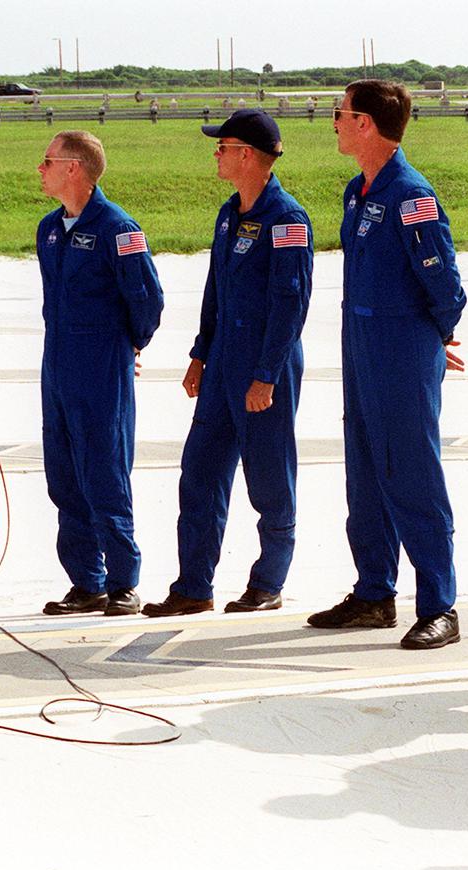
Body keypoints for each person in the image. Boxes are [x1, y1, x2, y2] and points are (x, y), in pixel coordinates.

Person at [306, 80, 467, 649]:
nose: (334, 121)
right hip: (363, 346)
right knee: (366, 473)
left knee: (413, 475)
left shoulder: (411, 194)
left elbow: (445, 285)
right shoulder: (359, 190)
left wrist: (430, 340)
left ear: (367, 124)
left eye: (340, 113)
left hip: (400, 350)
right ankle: (374, 593)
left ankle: (439, 604)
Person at [142, 110, 312, 617]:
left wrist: (266, 376)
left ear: (248, 155)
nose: (216, 154)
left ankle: (268, 581)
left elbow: (290, 305)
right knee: (199, 473)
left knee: (268, 478)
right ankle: (194, 586)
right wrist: (199, 353)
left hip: (265, 367)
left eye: (223, 146)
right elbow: (216, 291)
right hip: (221, 366)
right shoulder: (228, 212)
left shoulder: (288, 220)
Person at [35, 131, 164, 617]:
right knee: (64, 475)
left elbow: (147, 300)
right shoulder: (49, 229)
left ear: (75, 168)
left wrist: (129, 343)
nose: (40, 169)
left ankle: (123, 580)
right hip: (58, 365)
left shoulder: (118, 228)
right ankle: (86, 581)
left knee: (104, 472)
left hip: (101, 367)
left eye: (47, 161)